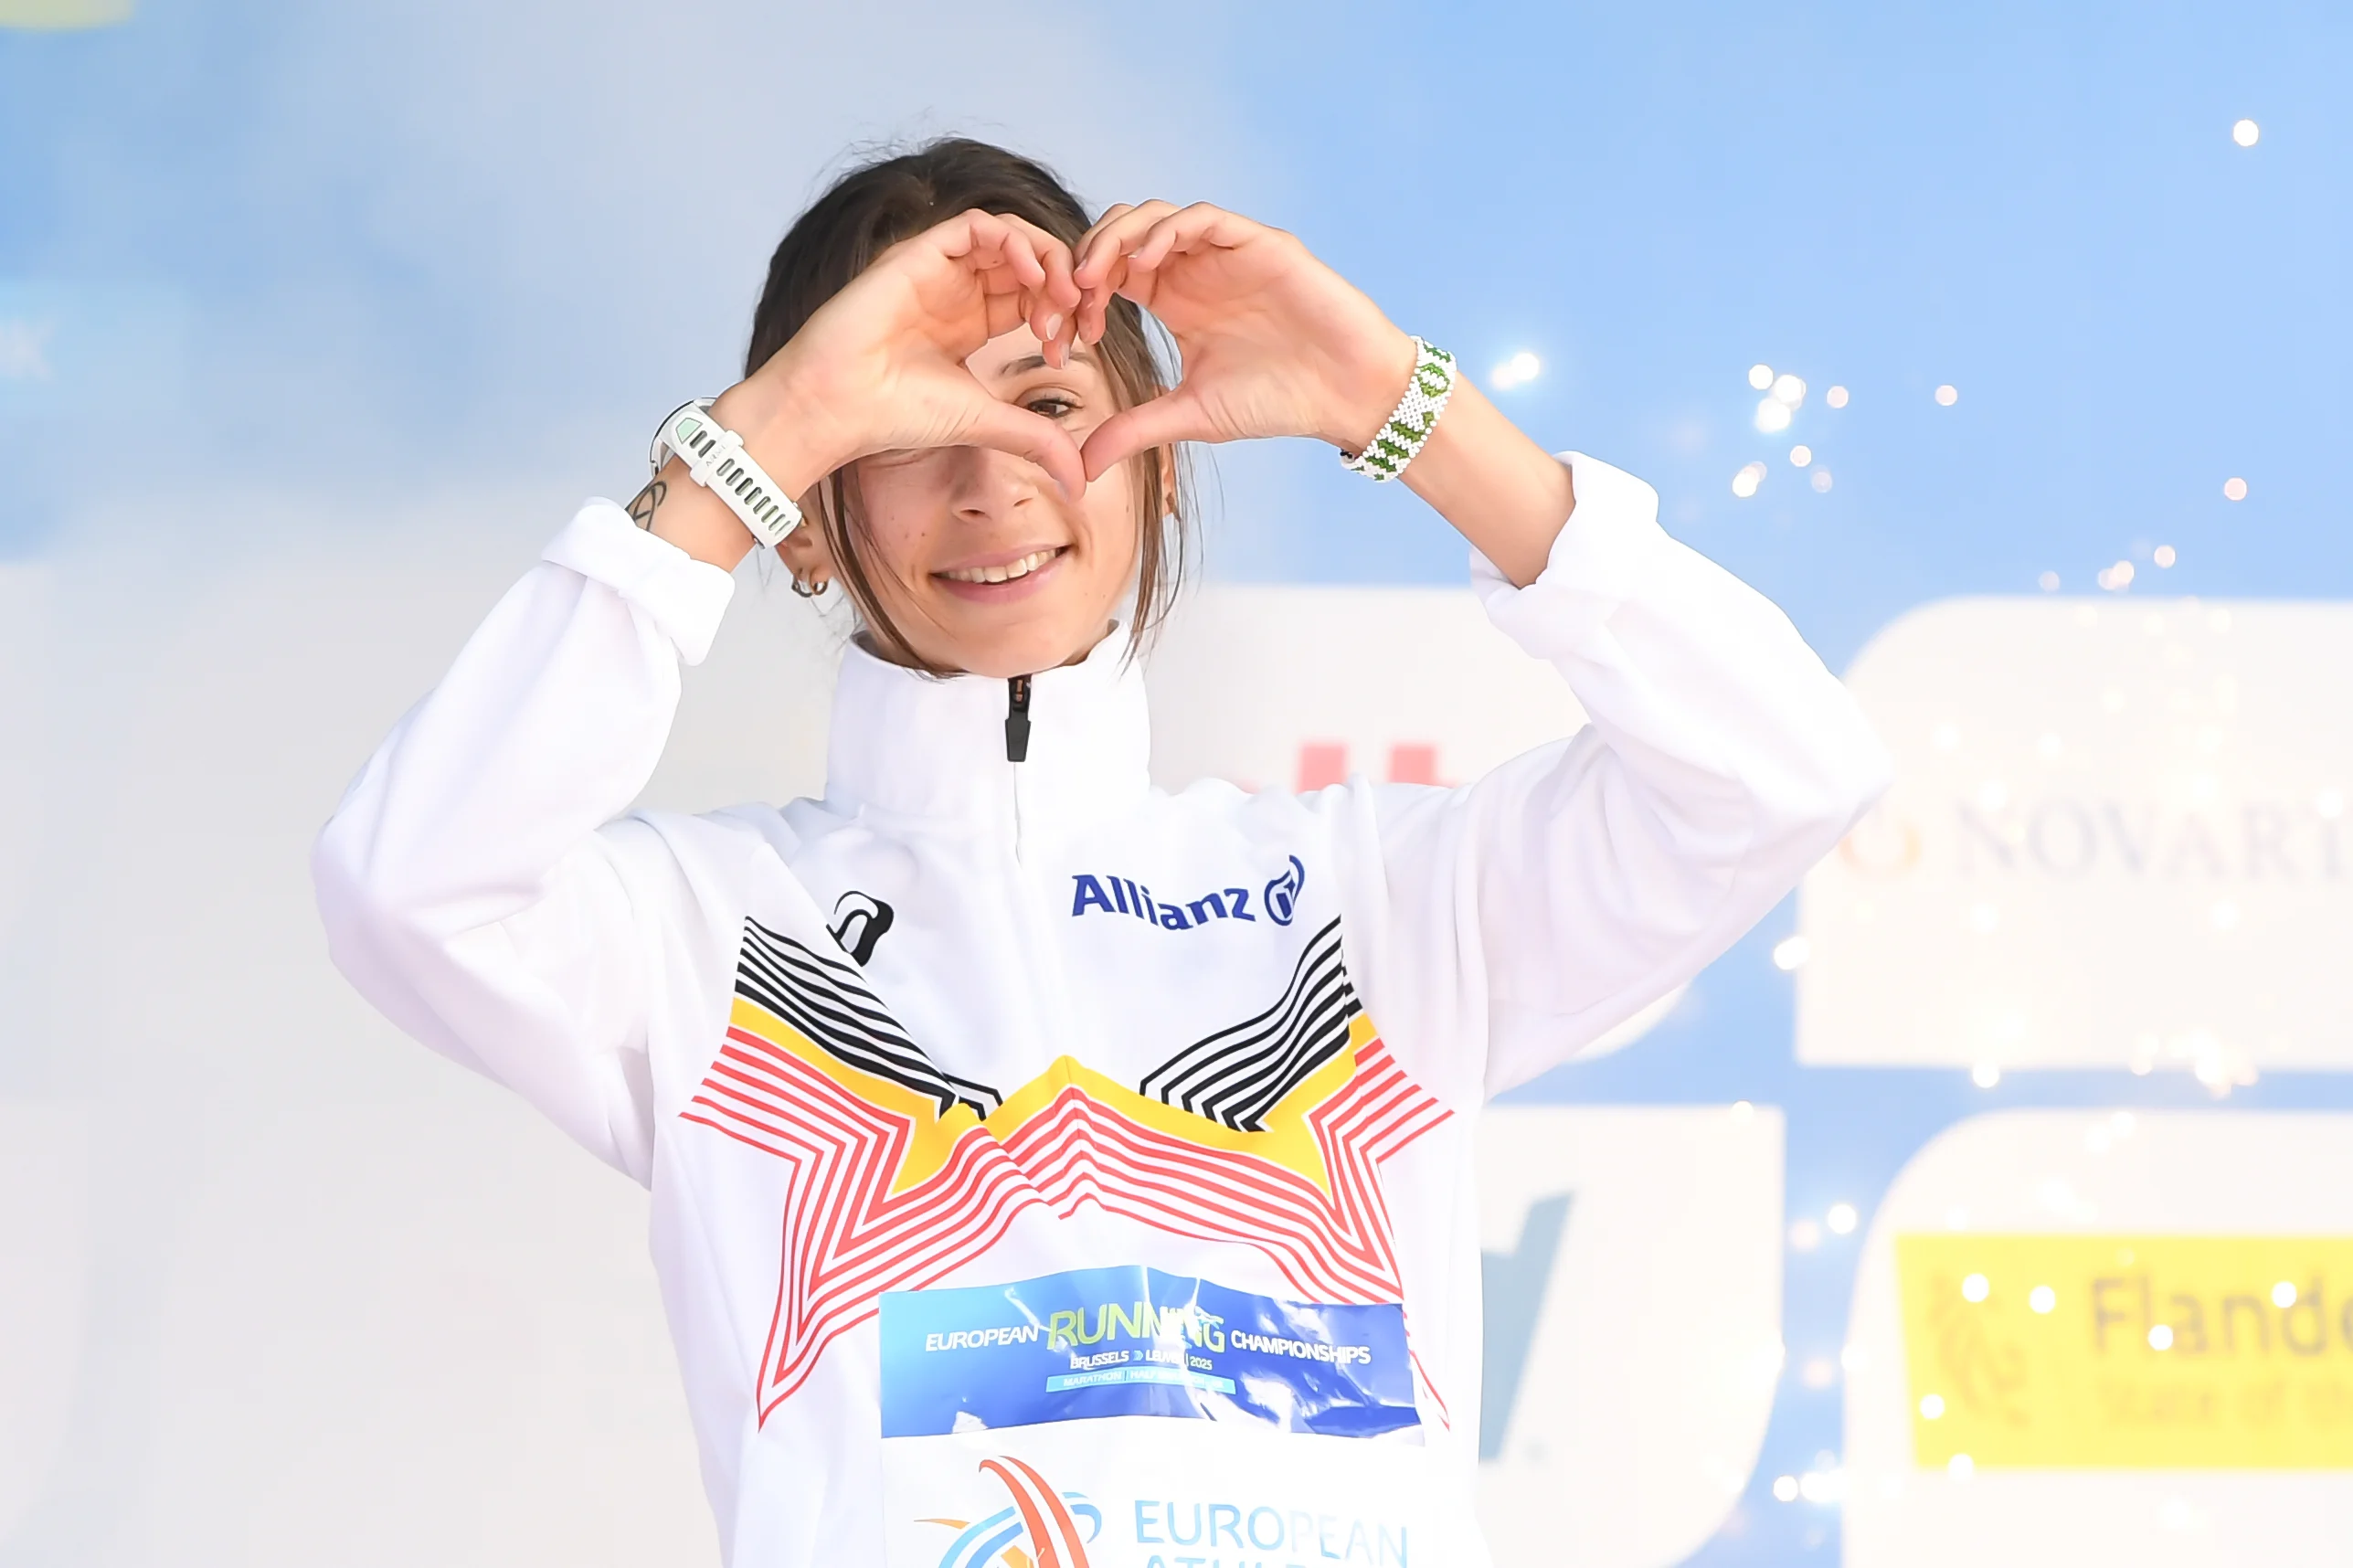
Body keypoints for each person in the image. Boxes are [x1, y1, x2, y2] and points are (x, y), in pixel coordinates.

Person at [314, 138, 1891, 1568]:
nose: (992, 476)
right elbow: (411, 885)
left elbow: (1780, 775)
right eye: (900, 426)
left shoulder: (1374, 903)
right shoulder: (707, 933)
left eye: (1049, 406)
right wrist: (756, 441)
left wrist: (1397, 404)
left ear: (1155, 450)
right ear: (804, 513)